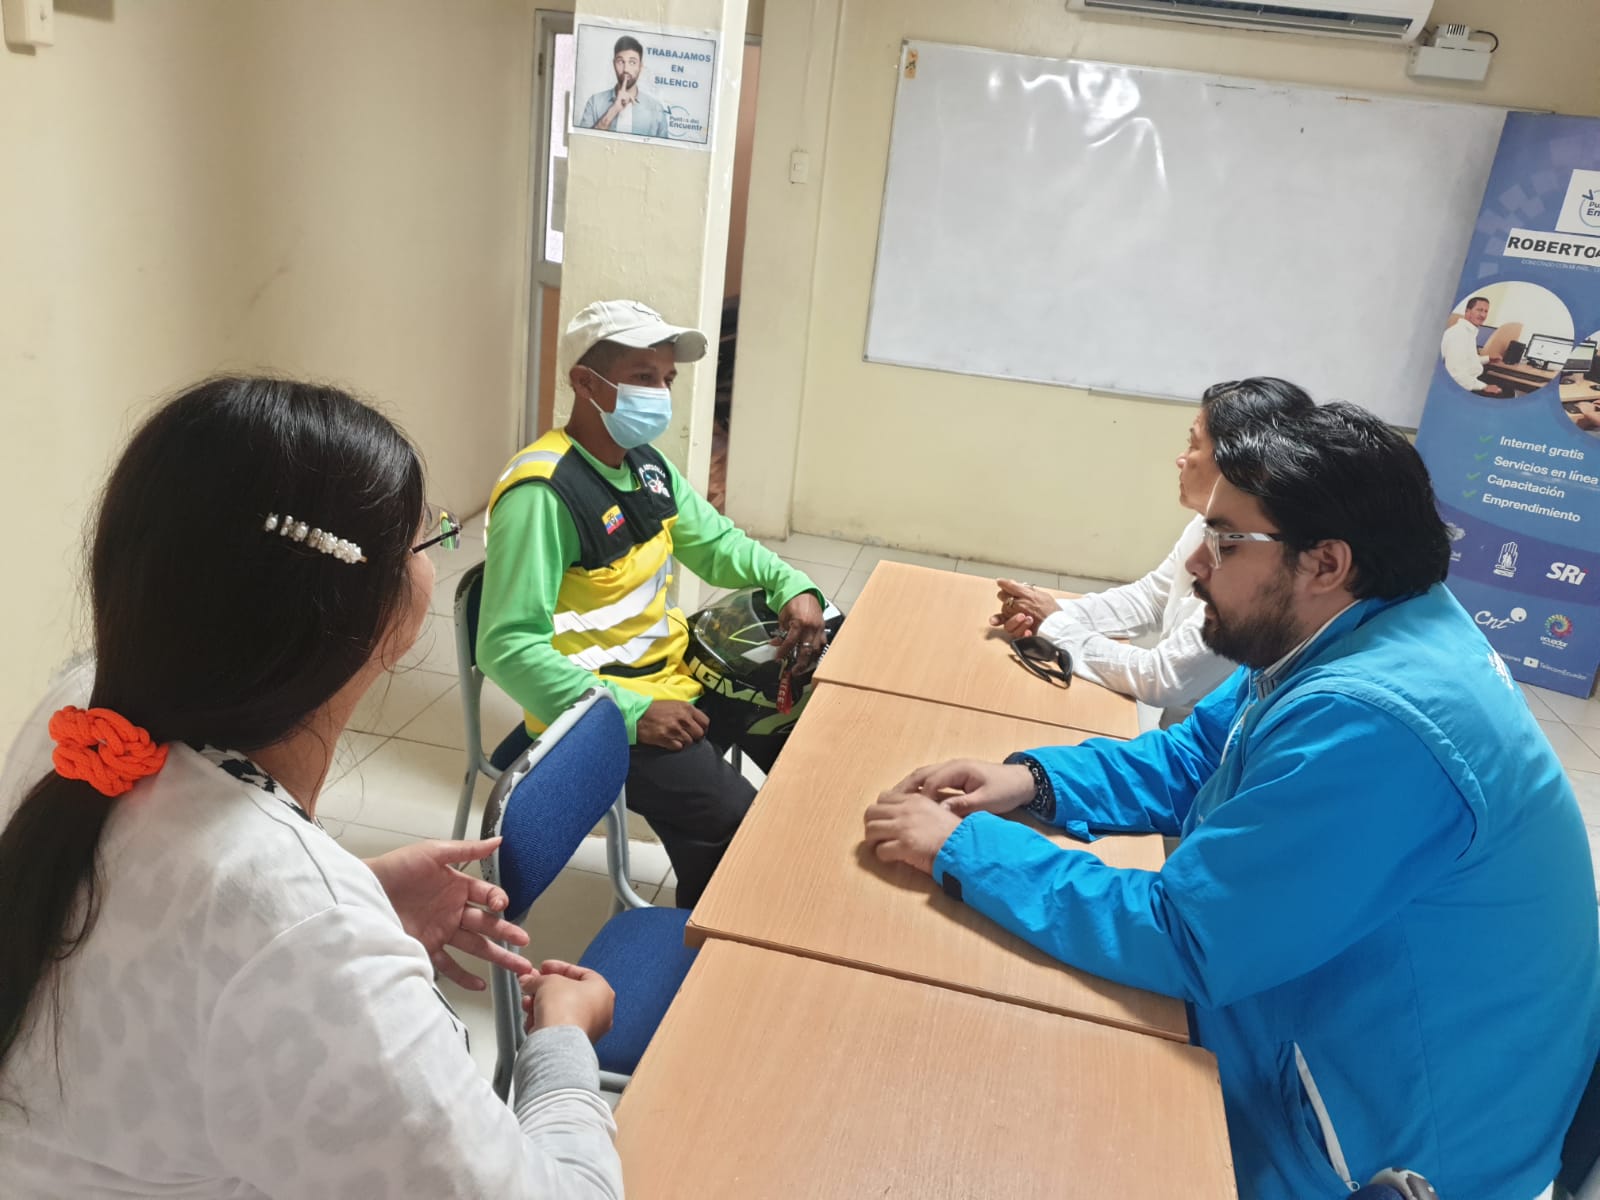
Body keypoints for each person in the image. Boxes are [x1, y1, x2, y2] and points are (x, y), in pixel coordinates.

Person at [864, 401, 1600, 1200]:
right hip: (1328, 1019)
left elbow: (1190, 937)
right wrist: (1038, 782)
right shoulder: (1361, 622)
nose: (1195, 565)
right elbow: (1201, 754)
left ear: (1325, 563)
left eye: (1224, 540)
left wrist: (964, 850)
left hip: (1383, 1142)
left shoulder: (1376, 719)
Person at [0, 378, 624, 1198]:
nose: (436, 555)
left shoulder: (81, 719)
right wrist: (564, 1039)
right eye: (428, 539)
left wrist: (359, 897)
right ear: (368, 611)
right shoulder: (303, 935)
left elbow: (170, 916)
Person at [478, 299, 827, 909]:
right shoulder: (543, 493)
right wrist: (632, 714)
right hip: (599, 709)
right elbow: (506, 648)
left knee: (807, 713)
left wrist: (791, 585)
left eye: (666, 379)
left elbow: (716, 544)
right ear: (586, 383)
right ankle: (711, 934)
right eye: (643, 377)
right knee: (736, 826)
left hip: (670, 673)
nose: (660, 394)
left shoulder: (647, 466)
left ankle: (806, 867)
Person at [991, 377, 1315, 726]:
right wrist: (1046, 613)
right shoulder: (1209, 524)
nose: (1181, 459)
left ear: (1237, 465)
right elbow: (1150, 598)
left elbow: (1162, 678)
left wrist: (1056, 624)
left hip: (1198, 744)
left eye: (1194, 445)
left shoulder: (1264, 570)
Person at [577, 35, 670, 139]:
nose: (626, 69)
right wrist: (613, 110)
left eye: (632, 62)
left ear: (640, 67)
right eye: (621, 62)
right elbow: (583, 144)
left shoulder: (656, 109)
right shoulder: (594, 102)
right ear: (614, 64)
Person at [1441, 295, 1505, 395]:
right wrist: (1484, 387)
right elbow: (1455, 374)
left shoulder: (1469, 332)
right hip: (1464, 385)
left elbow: (1467, 361)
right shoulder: (1459, 334)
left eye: (1486, 311)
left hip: (1470, 379)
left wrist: (1488, 359)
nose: (1483, 315)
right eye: (1479, 310)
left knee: (1506, 386)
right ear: (1467, 311)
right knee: (1506, 393)